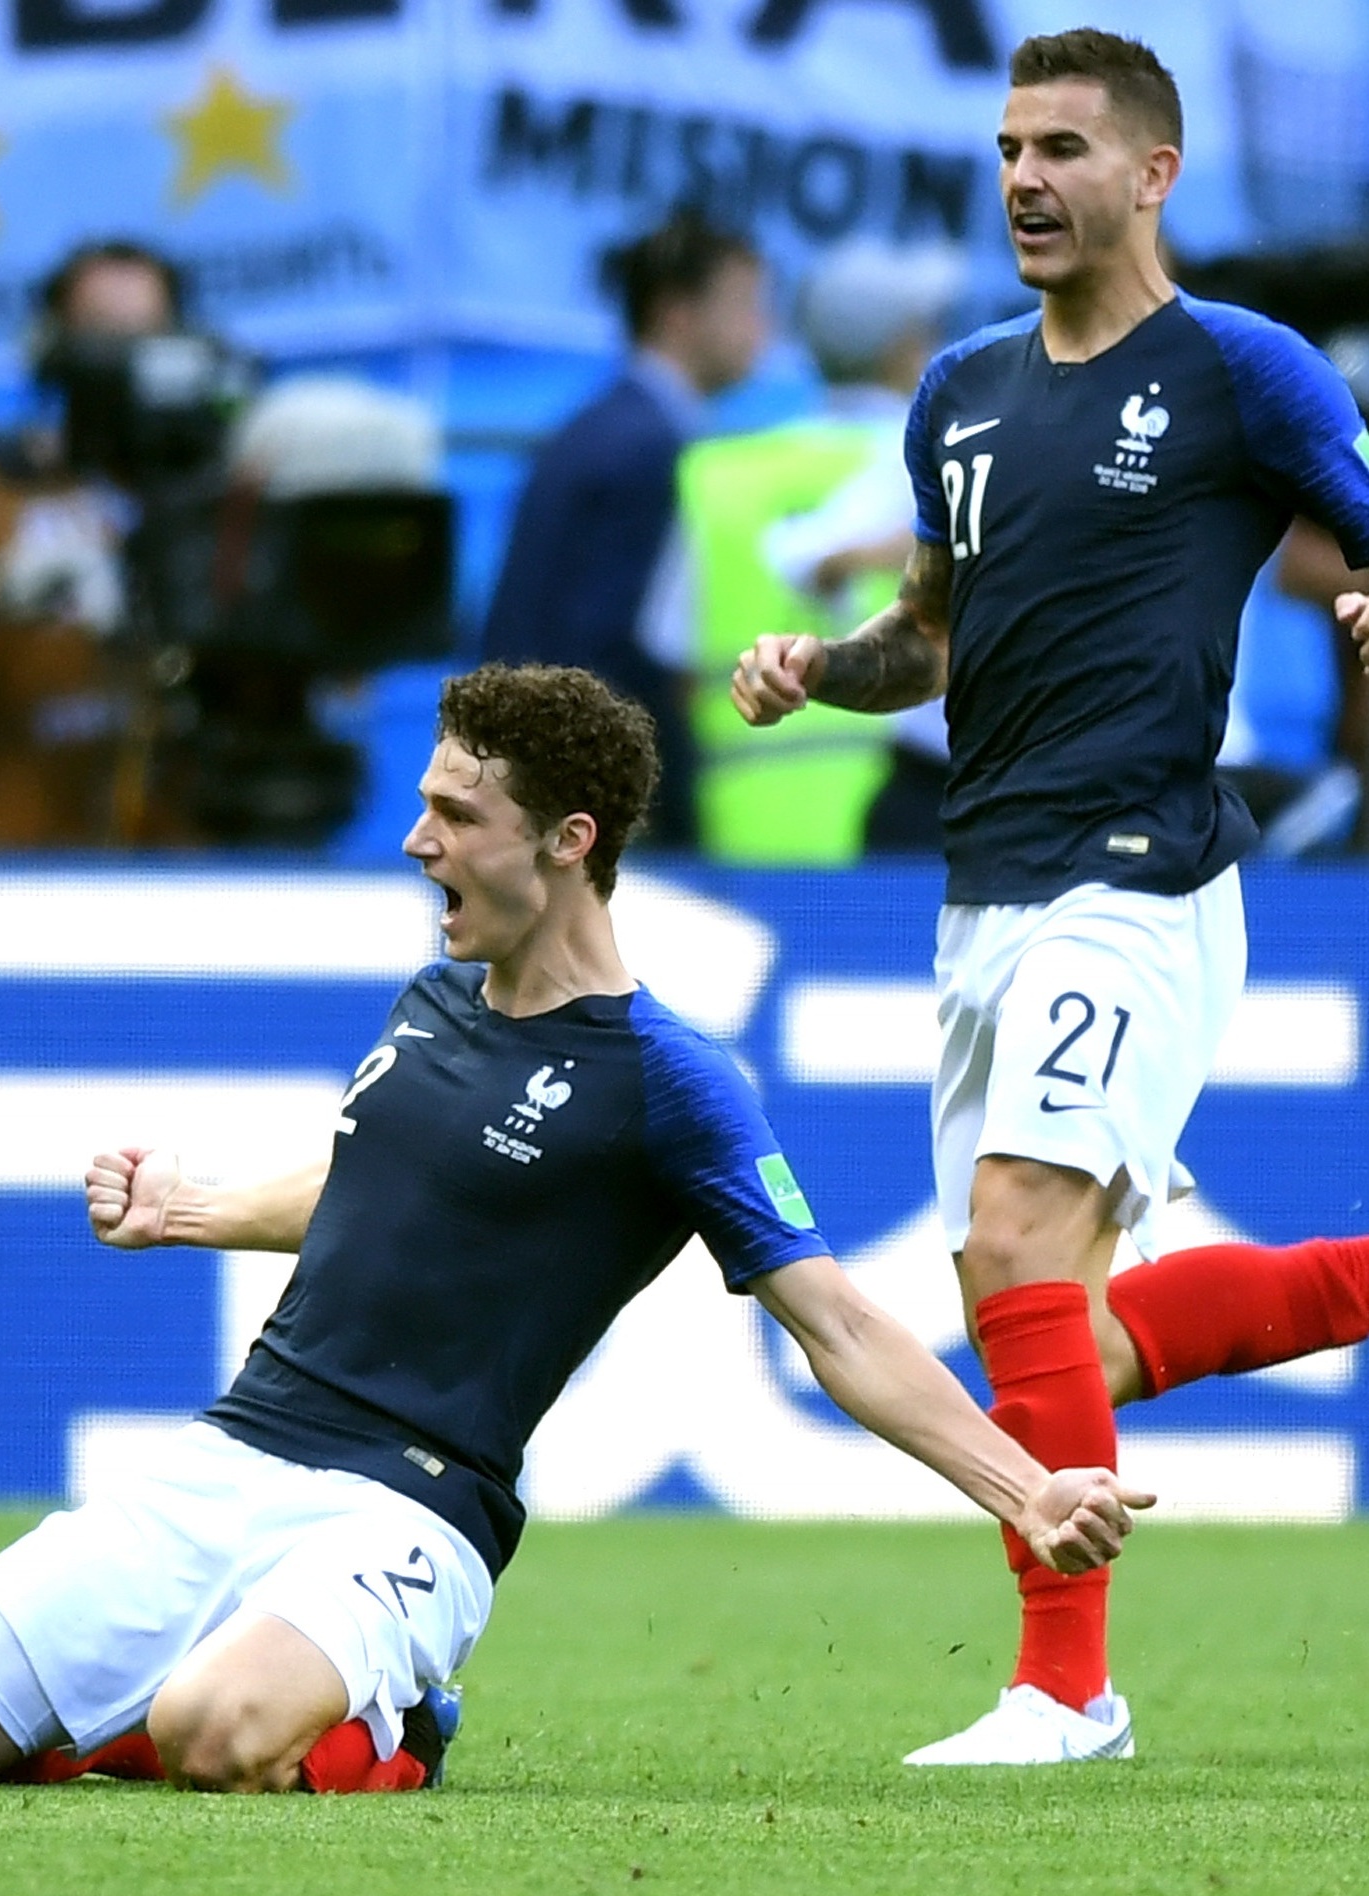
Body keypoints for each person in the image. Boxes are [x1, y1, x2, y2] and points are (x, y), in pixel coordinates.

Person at [0, 663, 1149, 1795]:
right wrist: (190, 1209)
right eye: (423, 805)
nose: (416, 840)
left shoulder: (670, 1077)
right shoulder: (436, 994)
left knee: (217, 1731)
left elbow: (836, 1319)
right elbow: (376, 1190)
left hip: (409, 1505)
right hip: (230, 1451)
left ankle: (400, 1728)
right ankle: (128, 1711)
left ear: (569, 841)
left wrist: (1025, 1489)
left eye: (456, 814)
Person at [732, 27, 1369, 1765]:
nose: (1023, 177)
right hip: (979, 886)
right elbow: (925, 635)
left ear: (1151, 175)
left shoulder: (1241, 369)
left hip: (1140, 872)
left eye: (1064, 149)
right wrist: (818, 664)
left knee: (1013, 1235)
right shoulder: (957, 391)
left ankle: (1065, 1689)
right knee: (1056, 1326)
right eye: (1009, 146)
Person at [479, 209, 768, 849]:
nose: (762, 329)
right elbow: (618, 645)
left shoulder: (604, 427)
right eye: (745, 306)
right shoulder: (649, 450)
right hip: (587, 798)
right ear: (677, 314)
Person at [667, 237, 958, 863]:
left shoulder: (720, 475)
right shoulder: (946, 464)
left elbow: (678, 672)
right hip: (905, 819)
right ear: (906, 346)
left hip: (744, 826)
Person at [0, 241, 182, 848]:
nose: (123, 365)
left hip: (198, 873)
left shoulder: (217, 495)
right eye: (101, 339)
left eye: (147, 340)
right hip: (15, 872)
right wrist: (9, 586)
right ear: (51, 345)